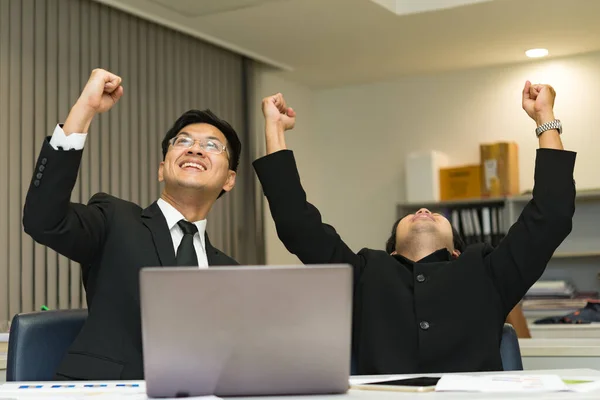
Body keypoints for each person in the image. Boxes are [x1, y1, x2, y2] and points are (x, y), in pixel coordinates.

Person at [253, 82, 575, 374]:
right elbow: (297, 223)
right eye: (413, 215)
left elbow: (551, 213)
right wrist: (275, 127)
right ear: (392, 250)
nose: (423, 210)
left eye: (434, 213)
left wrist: (544, 118)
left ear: (456, 250)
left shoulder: (487, 270)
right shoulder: (364, 273)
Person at [23, 69, 241, 380]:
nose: (195, 148)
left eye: (211, 146)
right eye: (183, 141)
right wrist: (84, 110)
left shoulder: (232, 273)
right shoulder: (116, 219)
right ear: (162, 169)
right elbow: (43, 220)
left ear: (229, 180)